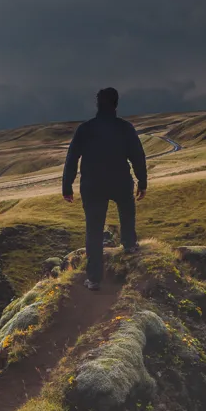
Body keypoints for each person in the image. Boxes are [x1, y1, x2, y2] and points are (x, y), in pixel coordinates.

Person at [61, 87, 147, 291]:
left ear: (97, 104)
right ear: (116, 104)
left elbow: (72, 158)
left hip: (92, 185)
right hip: (120, 181)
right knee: (126, 210)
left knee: (94, 231)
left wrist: (67, 185)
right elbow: (137, 156)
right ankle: (129, 244)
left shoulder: (85, 129)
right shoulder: (125, 128)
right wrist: (142, 182)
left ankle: (93, 279)